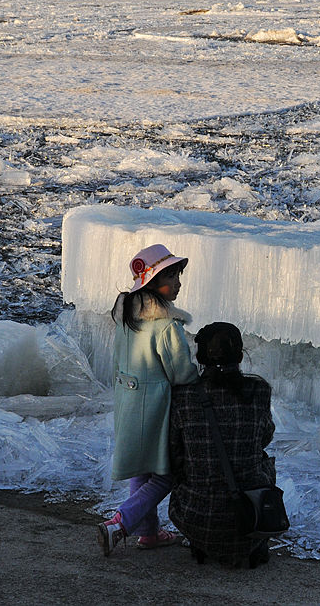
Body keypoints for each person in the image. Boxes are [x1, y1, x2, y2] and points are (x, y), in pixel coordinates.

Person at [97, 243, 198, 557]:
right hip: (154, 408)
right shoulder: (166, 325)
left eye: (178, 275)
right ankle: (120, 522)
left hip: (128, 402)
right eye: (172, 276)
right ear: (154, 282)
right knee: (167, 473)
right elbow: (181, 373)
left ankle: (149, 533)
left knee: (143, 468)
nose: (178, 283)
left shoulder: (128, 316)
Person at [168, 322, 277, 569]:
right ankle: (252, 543)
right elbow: (264, 438)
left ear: (200, 356)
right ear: (240, 355)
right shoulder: (258, 390)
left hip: (196, 518)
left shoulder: (183, 396)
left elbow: (175, 453)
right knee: (264, 461)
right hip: (254, 515)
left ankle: (204, 543)